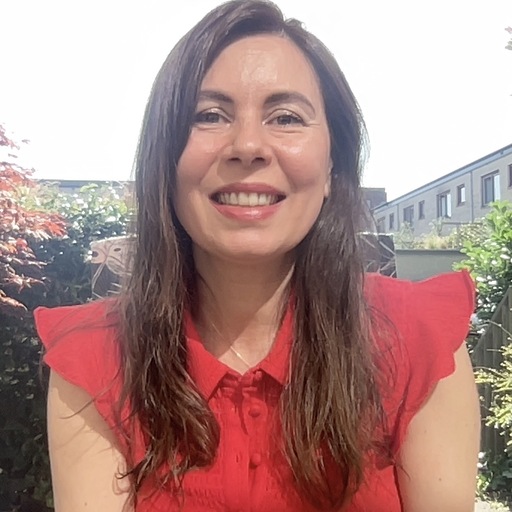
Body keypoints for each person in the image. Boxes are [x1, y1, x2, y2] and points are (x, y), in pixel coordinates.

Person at [34, 1, 480, 510]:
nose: (247, 145)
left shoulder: (417, 339)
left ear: (333, 168)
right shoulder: (94, 358)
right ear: (164, 162)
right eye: (209, 116)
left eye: (286, 117)